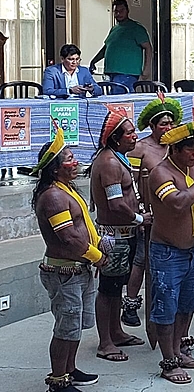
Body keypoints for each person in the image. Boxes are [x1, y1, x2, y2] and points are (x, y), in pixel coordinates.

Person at [32, 127, 103, 392]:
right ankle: (57, 381)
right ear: (55, 169)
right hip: (65, 273)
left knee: (75, 326)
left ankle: (69, 370)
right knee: (65, 327)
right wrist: (97, 257)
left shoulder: (66, 189)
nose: (76, 162)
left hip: (78, 269)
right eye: (70, 159)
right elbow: (68, 238)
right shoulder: (53, 196)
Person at [148, 115, 194, 384]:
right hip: (167, 252)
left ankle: (178, 349)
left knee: (187, 304)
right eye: (190, 148)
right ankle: (168, 361)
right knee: (166, 307)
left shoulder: (193, 170)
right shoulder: (160, 173)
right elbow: (176, 203)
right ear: (173, 149)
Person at [90, 108, 146, 362]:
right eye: (130, 132)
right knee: (109, 289)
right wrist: (139, 219)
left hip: (125, 234)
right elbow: (115, 204)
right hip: (115, 236)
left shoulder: (117, 157)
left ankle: (116, 332)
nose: (135, 136)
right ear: (115, 138)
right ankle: (105, 342)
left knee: (115, 289)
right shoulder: (110, 163)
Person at [123, 93, 182, 327]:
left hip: (172, 212)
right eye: (163, 124)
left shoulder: (176, 146)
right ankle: (130, 303)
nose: (168, 127)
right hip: (148, 214)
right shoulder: (141, 149)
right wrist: (140, 213)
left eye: (171, 123)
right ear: (152, 126)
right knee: (141, 259)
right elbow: (132, 182)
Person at [89, 0, 152, 93]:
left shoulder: (136, 28)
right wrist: (94, 61)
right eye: (116, 11)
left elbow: (148, 48)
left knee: (121, 102)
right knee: (112, 100)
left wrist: (146, 70)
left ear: (127, 11)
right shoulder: (114, 29)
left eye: (121, 11)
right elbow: (107, 47)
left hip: (127, 73)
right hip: (111, 72)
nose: (118, 14)